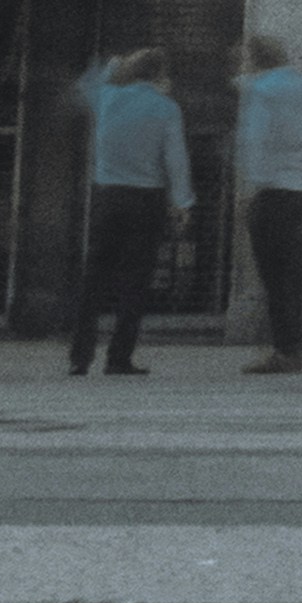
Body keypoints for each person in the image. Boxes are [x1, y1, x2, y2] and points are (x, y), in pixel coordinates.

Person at [70, 48, 191, 376]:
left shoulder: (107, 98)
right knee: (135, 280)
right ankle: (119, 357)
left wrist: (114, 66)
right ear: (160, 75)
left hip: (107, 196)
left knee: (94, 276)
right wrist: (182, 202)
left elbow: (85, 84)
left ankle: (79, 356)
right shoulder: (166, 108)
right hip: (146, 199)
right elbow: (175, 158)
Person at [235, 34, 302, 373]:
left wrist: (249, 190)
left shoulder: (262, 90)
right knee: (298, 273)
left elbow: (256, 141)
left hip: (276, 192)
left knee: (275, 277)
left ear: (254, 58)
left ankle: (286, 351)